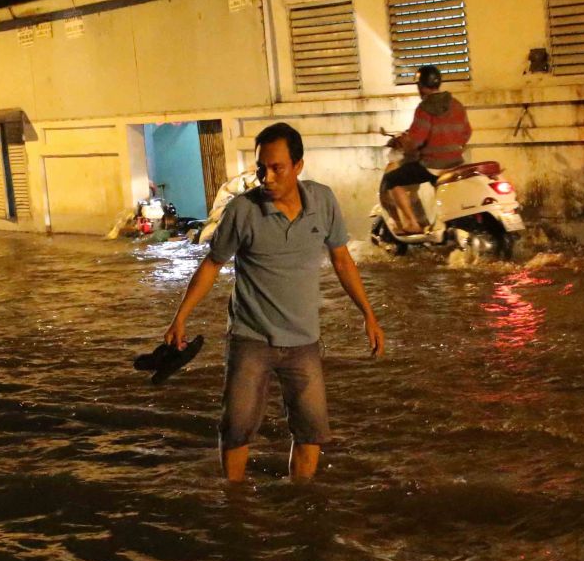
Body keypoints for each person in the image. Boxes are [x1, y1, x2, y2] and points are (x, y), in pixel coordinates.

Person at [165, 122, 384, 483]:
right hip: (250, 340)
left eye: (276, 167)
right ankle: (235, 505)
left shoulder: (323, 202)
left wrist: (369, 316)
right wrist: (180, 318)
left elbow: (342, 261)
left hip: (304, 342)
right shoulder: (242, 211)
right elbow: (212, 265)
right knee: (236, 430)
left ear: (298, 166)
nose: (266, 177)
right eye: (260, 168)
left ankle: (300, 500)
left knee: (311, 432)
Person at [381, 64, 473, 234]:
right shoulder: (456, 104)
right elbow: (467, 133)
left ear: (421, 86)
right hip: (455, 163)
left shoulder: (424, 109)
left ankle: (411, 224)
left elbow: (416, 140)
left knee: (392, 180)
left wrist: (403, 143)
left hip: (432, 166)